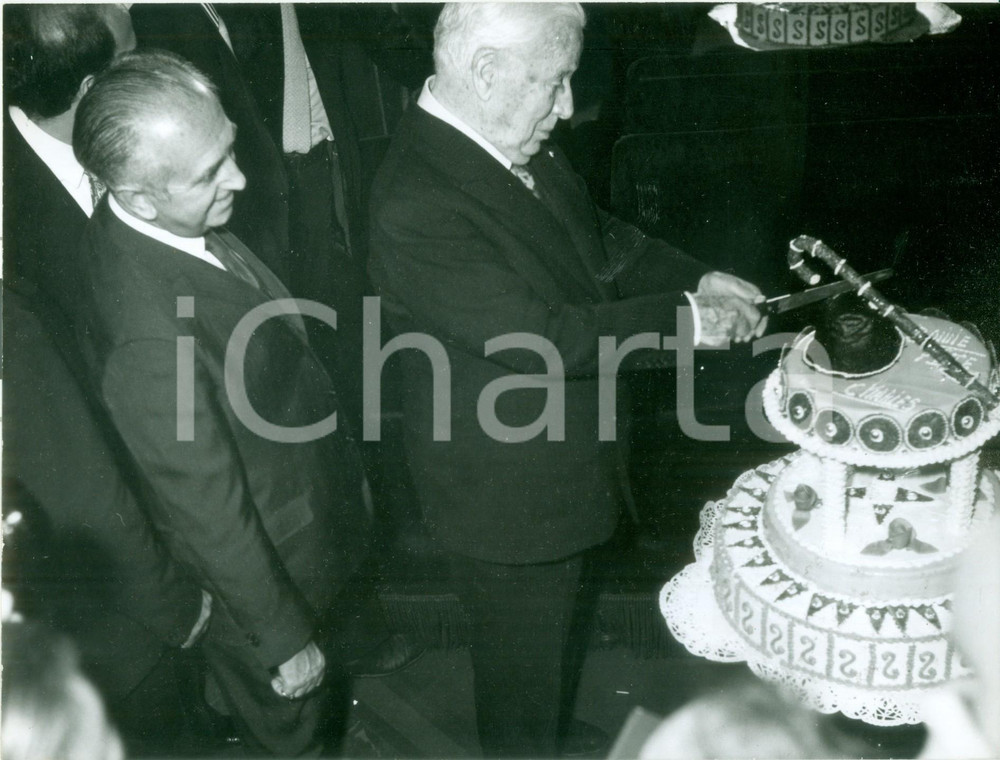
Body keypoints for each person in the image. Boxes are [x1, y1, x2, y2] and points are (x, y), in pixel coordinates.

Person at [368, 4, 767, 756]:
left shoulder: (511, 137)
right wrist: (688, 320)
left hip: (560, 464)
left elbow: (599, 240)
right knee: (519, 673)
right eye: (553, 81)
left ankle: (541, 731)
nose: (566, 105)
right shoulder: (414, 202)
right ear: (486, 71)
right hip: (507, 497)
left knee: (545, 647)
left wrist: (695, 277)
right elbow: (539, 337)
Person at [71, 50, 371, 756]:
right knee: (295, 741)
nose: (239, 178)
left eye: (229, 148)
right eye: (210, 174)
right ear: (139, 196)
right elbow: (207, 508)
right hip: (266, 590)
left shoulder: (156, 223)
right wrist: (284, 639)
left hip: (300, 537)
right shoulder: (147, 338)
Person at [861, 517, 938, 556]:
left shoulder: (922, 548)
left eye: (895, 535)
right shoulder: (878, 546)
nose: (891, 538)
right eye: (891, 534)